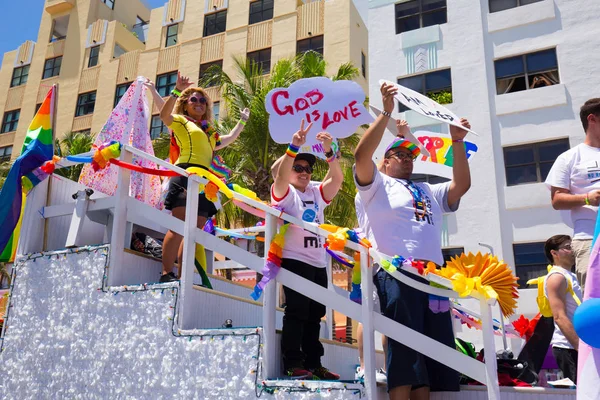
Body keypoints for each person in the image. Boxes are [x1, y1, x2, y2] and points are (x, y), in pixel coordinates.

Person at [353, 83, 471, 400]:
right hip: (396, 272)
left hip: (433, 276)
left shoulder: (427, 190)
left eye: (412, 156)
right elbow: (361, 154)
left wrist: (456, 142)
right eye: (401, 155)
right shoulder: (375, 186)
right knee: (404, 351)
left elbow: (461, 185)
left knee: (435, 353)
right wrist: (387, 113)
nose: (409, 159)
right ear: (386, 160)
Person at [159, 71, 249, 282]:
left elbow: (227, 140)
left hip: (206, 181)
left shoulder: (209, 131)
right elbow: (164, 116)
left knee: (195, 232)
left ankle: (183, 277)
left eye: (203, 101)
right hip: (185, 174)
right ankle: (166, 274)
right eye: (194, 99)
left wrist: (242, 122)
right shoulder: (181, 121)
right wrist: (176, 91)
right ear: (185, 104)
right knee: (179, 226)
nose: (199, 103)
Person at [271, 119, 343, 380]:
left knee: (316, 315)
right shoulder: (285, 192)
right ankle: (292, 363)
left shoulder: (315, 190)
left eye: (308, 169)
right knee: (298, 311)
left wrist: (330, 152)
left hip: (318, 262)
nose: (304, 172)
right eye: (298, 167)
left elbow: (338, 178)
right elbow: (280, 175)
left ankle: (314, 364)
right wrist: (293, 146)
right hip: (294, 260)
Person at [546, 99, 600, 294]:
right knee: (594, 299)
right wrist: (587, 198)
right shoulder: (569, 157)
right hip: (589, 239)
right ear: (592, 119)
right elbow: (557, 199)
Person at [544, 235, 582, 383]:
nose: (573, 250)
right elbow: (559, 316)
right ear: (554, 253)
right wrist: (580, 345)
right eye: (568, 247)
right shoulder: (557, 277)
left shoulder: (571, 275)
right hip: (569, 346)